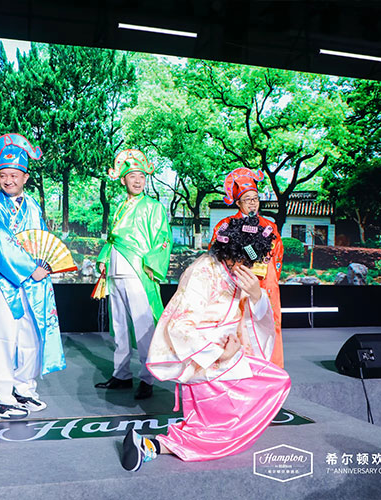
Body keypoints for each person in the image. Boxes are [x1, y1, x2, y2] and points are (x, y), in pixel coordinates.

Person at [121, 215, 291, 470]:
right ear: (230, 253)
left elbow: (251, 316)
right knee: (219, 429)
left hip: (231, 354)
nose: (247, 266)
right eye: (244, 260)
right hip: (205, 358)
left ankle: (151, 446)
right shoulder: (202, 271)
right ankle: (152, 446)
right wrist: (219, 354)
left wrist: (257, 294)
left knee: (272, 385)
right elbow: (180, 325)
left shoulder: (236, 269)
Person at [0, 133, 65, 420]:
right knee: (3, 338)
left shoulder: (33, 206)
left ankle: (23, 388)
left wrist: (43, 266)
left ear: (25, 177)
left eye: (14, 175)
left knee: (32, 337)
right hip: (6, 283)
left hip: (35, 284)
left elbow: (42, 241)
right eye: (3, 175)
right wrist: (30, 269)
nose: (8, 181)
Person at [95, 149, 172, 400]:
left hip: (138, 271)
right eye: (132, 176)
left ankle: (148, 377)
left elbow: (163, 239)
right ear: (123, 180)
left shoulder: (153, 207)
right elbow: (112, 239)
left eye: (141, 176)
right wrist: (104, 258)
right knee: (119, 325)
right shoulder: (120, 207)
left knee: (143, 325)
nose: (138, 181)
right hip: (116, 271)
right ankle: (121, 374)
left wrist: (152, 264)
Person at [210, 167, 285, 368]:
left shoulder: (269, 225)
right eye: (247, 199)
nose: (252, 203)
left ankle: (269, 370)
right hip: (235, 283)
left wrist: (266, 270)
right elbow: (214, 254)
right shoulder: (225, 225)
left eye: (255, 198)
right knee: (237, 326)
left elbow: (277, 253)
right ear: (237, 202)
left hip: (263, 284)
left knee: (267, 324)